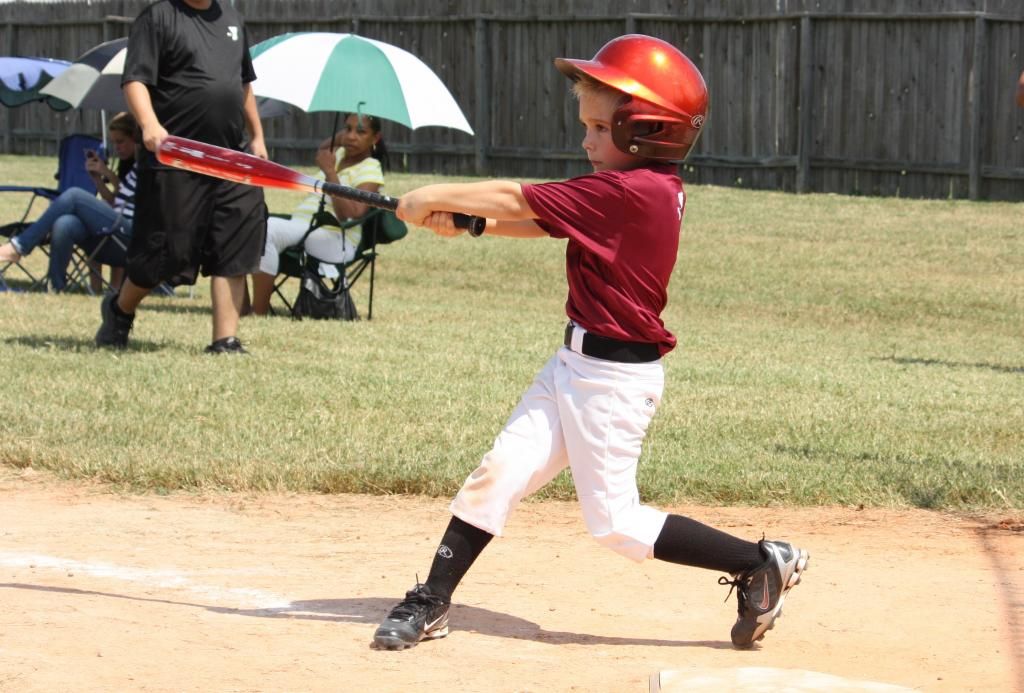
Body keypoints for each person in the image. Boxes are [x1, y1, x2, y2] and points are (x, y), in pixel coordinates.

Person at [371, 34, 809, 652]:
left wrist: (429, 197)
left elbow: (514, 197)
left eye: (600, 128)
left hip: (613, 383)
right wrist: (472, 224)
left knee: (616, 525)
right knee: (499, 473)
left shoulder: (632, 191)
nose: (586, 141)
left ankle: (760, 561)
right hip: (573, 364)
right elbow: (539, 221)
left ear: (646, 131)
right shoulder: (636, 189)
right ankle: (431, 600)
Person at [95, 0, 267, 354]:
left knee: (234, 241)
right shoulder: (158, 16)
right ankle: (119, 308)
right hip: (176, 156)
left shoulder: (232, 19)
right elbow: (136, 79)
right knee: (166, 253)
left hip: (231, 156)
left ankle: (225, 340)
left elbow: (243, 83)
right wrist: (149, 124)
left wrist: (257, 137)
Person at [248, 112, 389, 316]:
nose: (351, 136)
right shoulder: (338, 155)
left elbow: (350, 215)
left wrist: (331, 174)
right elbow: (323, 149)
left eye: (360, 132)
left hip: (335, 238)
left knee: (267, 230)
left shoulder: (370, 169)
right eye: (347, 129)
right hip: (305, 227)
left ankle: (257, 312)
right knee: (249, 224)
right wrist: (342, 139)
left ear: (375, 138)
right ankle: (241, 303)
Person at [0, 112, 139, 292]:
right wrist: (97, 179)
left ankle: (19, 246)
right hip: (113, 231)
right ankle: (55, 286)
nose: (117, 147)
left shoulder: (149, 165)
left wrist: (108, 174)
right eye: (114, 143)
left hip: (130, 237)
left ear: (135, 138)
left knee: (74, 195)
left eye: (121, 142)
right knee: (64, 223)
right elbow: (118, 200)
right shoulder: (127, 164)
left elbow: (140, 200)